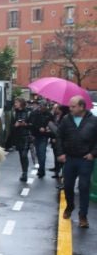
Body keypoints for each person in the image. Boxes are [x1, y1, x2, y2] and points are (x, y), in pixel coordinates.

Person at [55, 96, 97, 228]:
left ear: (82, 107)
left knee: (84, 186)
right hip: (70, 158)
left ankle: (83, 216)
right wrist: (60, 153)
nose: (70, 109)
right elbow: (59, 136)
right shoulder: (66, 119)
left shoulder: (93, 121)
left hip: (85, 159)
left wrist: (93, 154)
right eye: (70, 106)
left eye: (73, 106)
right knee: (67, 186)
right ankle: (70, 206)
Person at [29, 100, 54, 179]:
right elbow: (31, 123)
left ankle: (41, 170)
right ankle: (41, 168)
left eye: (44, 106)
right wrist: (37, 129)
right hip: (36, 135)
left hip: (44, 136)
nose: (42, 107)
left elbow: (52, 125)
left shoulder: (49, 115)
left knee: (42, 153)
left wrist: (48, 129)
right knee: (38, 153)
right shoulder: (34, 113)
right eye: (41, 106)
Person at [11, 97, 32, 182]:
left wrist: (25, 124)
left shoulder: (28, 112)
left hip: (26, 136)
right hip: (18, 137)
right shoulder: (14, 113)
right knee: (21, 155)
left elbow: (32, 125)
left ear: (21, 103)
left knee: (24, 155)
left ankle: (25, 173)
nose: (15, 104)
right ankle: (24, 172)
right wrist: (15, 125)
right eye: (15, 102)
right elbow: (11, 126)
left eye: (16, 102)